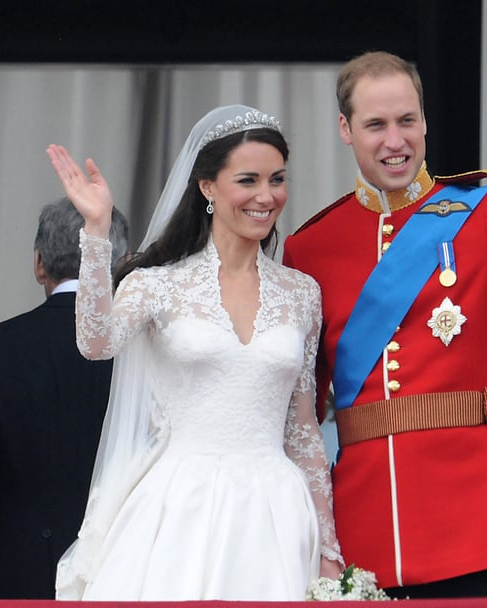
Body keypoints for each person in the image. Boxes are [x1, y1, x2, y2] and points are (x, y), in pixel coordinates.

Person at [282, 37, 487, 599]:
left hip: (469, 525)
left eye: (407, 121)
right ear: (345, 130)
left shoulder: (485, 211)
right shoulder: (311, 247)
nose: (396, 141)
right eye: (375, 125)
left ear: (425, 121)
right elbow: (298, 405)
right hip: (362, 533)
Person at [44, 104, 344, 601]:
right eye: (247, 180)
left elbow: (302, 428)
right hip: (180, 507)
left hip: (277, 513)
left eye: (277, 179)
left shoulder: (302, 293)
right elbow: (96, 343)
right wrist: (95, 232)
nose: (266, 196)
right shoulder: (156, 284)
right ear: (208, 187)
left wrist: (329, 549)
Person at [0, 197, 129, 598]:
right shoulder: (144, 353)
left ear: (39, 264)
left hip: (17, 582)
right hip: (122, 573)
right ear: (118, 266)